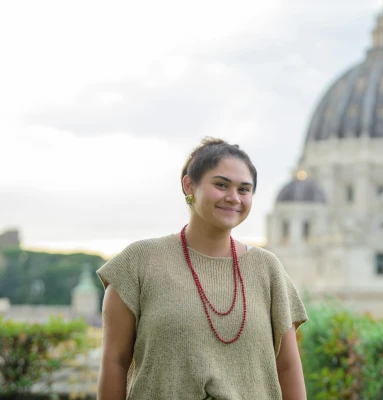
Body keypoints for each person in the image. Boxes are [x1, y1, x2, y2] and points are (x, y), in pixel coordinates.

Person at [96, 138, 308, 400]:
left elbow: (287, 368)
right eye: (221, 185)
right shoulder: (138, 262)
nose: (233, 198)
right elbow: (114, 362)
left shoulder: (268, 269)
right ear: (189, 185)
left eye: (244, 189)